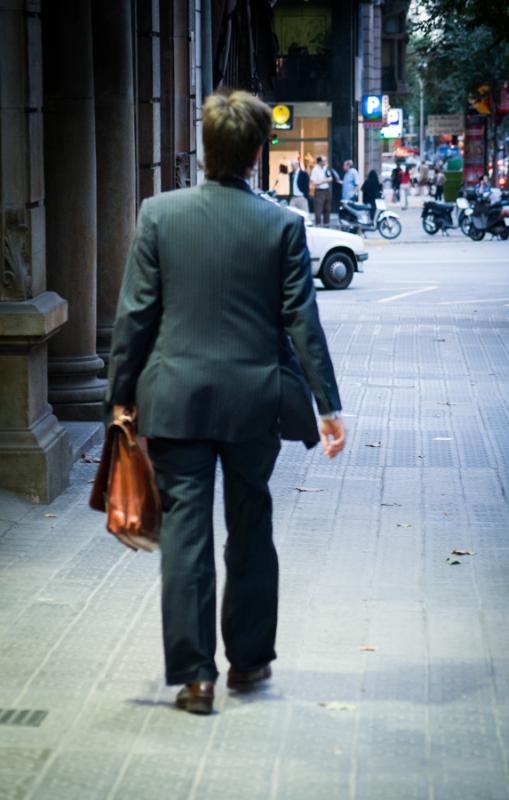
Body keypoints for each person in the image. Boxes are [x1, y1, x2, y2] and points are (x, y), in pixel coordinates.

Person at [106, 91, 345, 716]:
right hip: (254, 404)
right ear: (258, 149)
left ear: (207, 145)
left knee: (185, 535)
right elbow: (301, 320)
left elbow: (135, 317)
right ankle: (248, 661)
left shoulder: (159, 215)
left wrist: (119, 399)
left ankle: (194, 678)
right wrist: (328, 406)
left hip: (176, 401)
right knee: (251, 524)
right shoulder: (282, 226)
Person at [311, 155, 333, 226]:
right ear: (320, 162)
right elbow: (313, 183)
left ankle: (327, 226)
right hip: (319, 191)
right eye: (323, 161)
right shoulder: (315, 170)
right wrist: (325, 180)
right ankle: (318, 226)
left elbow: (331, 178)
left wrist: (324, 180)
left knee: (327, 209)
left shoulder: (326, 168)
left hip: (326, 190)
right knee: (318, 210)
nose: (325, 162)